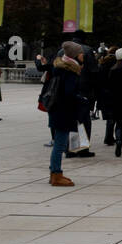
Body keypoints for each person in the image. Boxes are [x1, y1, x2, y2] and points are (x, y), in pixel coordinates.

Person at [45, 42, 85, 187]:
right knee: (60, 144)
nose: (83, 55)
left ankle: (54, 173)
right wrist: (81, 99)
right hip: (63, 112)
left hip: (57, 110)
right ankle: (56, 174)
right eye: (80, 52)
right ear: (74, 55)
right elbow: (69, 93)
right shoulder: (69, 72)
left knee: (59, 143)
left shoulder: (61, 68)